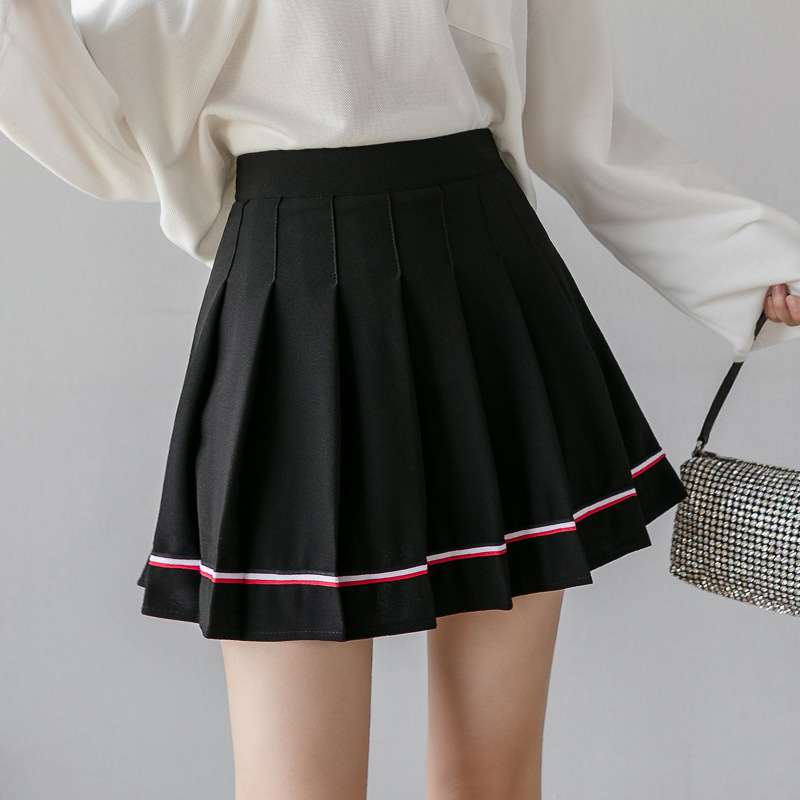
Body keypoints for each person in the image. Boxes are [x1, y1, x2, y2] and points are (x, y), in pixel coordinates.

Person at [2, 1, 799, 798]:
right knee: (297, 789)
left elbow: (579, 124)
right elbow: (102, 123)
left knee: (492, 780)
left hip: (481, 288)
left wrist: (750, 262)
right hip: (295, 301)